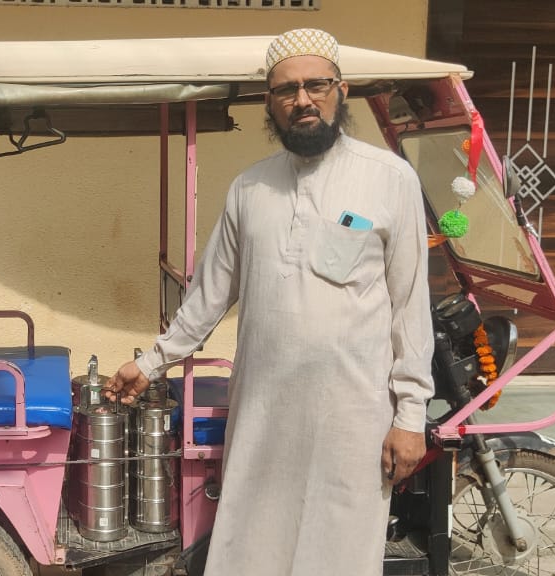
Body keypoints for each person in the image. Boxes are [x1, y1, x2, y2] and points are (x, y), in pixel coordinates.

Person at [105, 29, 435, 575]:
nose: (302, 100)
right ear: (270, 103)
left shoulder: (390, 180)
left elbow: (410, 309)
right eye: (286, 90)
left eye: (315, 85)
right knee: (252, 547)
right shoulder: (250, 189)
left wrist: (411, 416)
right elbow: (209, 296)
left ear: (341, 90)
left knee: (339, 552)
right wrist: (150, 363)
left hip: (353, 419)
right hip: (264, 415)